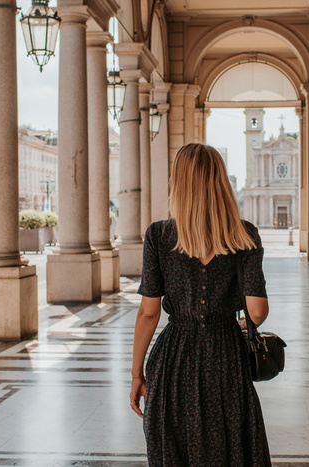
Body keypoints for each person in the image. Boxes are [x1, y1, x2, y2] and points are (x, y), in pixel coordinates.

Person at [130, 143, 272, 466]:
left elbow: (149, 313)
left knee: (175, 449)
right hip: (226, 358)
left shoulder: (158, 237)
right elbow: (257, 311)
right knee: (231, 447)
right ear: (220, 183)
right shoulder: (244, 235)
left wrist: (136, 373)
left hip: (173, 360)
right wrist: (231, 322)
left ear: (178, 183)